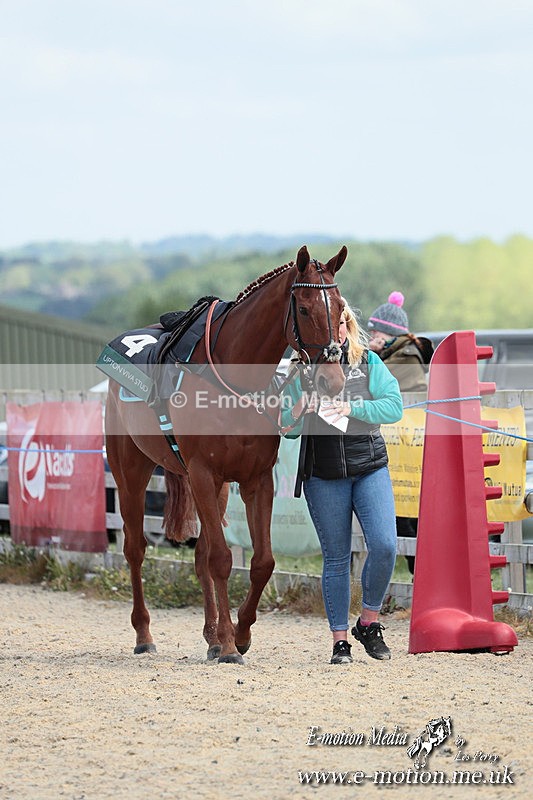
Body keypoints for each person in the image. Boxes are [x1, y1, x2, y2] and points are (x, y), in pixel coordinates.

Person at [281, 301, 403, 665]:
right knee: (336, 558)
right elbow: (285, 427)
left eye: (339, 323)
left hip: (369, 467)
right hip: (323, 474)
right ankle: (339, 642)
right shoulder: (299, 370)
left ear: (346, 325)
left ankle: (368, 622)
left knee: (385, 545)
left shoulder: (369, 362)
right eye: (326, 323)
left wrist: (354, 408)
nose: (333, 330)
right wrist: (299, 408)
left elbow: (393, 407)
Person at [367, 291, 434, 575]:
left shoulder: (405, 358)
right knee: (405, 514)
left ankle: (422, 573)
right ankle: (421, 573)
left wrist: (371, 355)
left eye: (377, 331)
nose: (372, 335)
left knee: (407, 515)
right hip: (401, 442)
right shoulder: (399, 354)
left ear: (390, 333)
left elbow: (371, 385)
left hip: (406, 443)